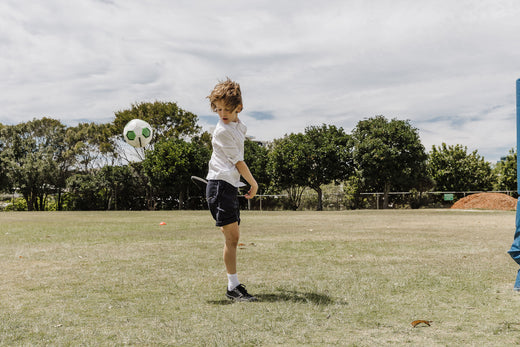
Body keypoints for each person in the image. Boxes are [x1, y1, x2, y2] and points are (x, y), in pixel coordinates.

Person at [205, 78, 259, 302]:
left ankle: (233, 285)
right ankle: (233, 287)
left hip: (227, 186)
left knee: (232, 238)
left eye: (227, 109)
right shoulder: (222, 132)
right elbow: (238, 162)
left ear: (239, 108)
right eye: (218, 109)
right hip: (220, 187)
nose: (222, 113)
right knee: (233, 239)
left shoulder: (238, 126)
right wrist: (253, 184)